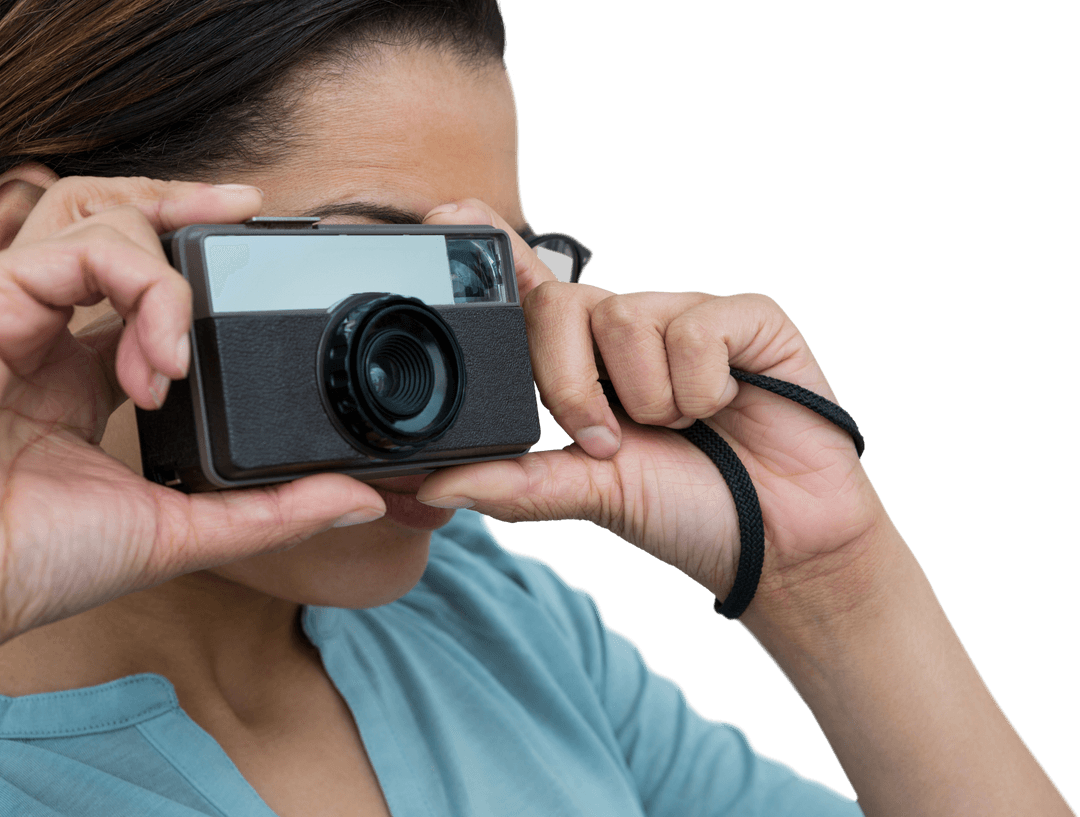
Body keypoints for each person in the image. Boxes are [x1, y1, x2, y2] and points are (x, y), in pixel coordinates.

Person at [0, 1, 1073, 815]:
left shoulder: (497, 621)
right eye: (378, 271)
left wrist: (830, 579)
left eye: (483, 273)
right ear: (45, 252)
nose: (445, 371)